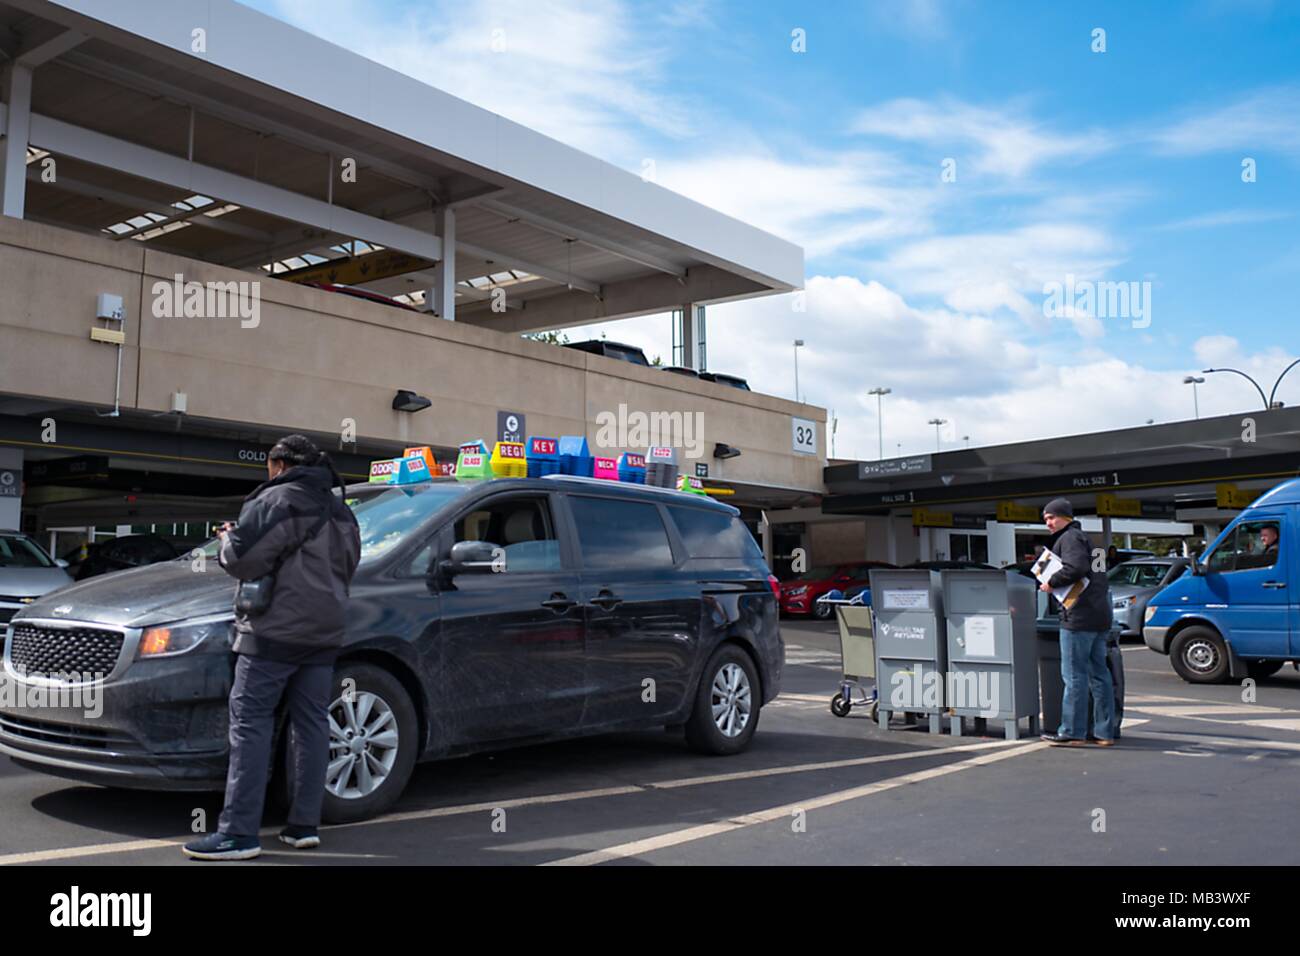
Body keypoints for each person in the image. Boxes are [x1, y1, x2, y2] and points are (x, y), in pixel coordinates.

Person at [184, 434, 361, 860]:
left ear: (279, 464)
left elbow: (243, 559)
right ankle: (303, 825)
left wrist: (227, 539)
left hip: (273, 632)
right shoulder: (341, 509)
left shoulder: (276, 500)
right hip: (324, 632)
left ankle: (238, 834)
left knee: (250, 724)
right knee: (313, 724)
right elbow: (350, 565)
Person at [1037, 497, 1115, 748]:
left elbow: (1076, 568)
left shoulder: (1069, 539)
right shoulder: (1091, 539)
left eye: (1051, 517)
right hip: (1099, 615)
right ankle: (1104, 732)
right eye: (1045, 519)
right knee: (1099, 675)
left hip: (1078, 616)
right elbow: (1098, 574)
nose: (1048, 523)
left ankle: (1072, 731)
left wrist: (1051, 583)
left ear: (1065, 517)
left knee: (1074, 676)